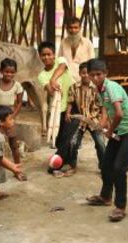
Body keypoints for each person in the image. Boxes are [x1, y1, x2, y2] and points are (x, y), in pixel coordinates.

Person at [85, 59, 128, 222]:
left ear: (105, 74)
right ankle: (105, 197)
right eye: (92, 75)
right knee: (106, 164)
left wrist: (109, 131)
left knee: (118, 169)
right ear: (88, 75)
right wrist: (102, 124)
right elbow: (106, 110)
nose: (95, 78)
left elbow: (119, 114)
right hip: (118, 131)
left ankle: (120, 207)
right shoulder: (99, 89)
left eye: (98, 74)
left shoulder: (111, 88)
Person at [0, 58, 27, 181]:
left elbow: (19, 103)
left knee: (13, 144)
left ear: (15, 72)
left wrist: (13, 115)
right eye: (6, 72)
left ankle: (17, 170)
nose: (9, 74)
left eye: (12, 72)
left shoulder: (17, 86)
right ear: (1, 71)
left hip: (8, 116)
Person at [37, 41, 76, 176]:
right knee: (59, 139)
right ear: (40, 56)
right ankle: (68, 160)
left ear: (54, 55)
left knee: (67, 137)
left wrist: (53, 79)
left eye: (49, 54)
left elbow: (62, 67)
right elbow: (49, 90)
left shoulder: (61, 60)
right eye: (43, 55)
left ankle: (55, 164)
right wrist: (52, 87)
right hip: (57, 109)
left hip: (73, 104)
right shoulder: (41, 75)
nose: (46, 57)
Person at [65, 62, 105, 175]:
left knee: (101, 144)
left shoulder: (97, 88)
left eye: (88, 73)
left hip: (94, 120)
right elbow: (70, 102)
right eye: (83, 73)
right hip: (81, 120)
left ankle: (103, 167)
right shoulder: (73, 87)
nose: (85, 75)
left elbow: (102, 106)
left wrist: (103, 121)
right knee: (73, 143)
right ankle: (73, 166)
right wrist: (67, 113)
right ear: (79, 73)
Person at [58, 16, 95, 82]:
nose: (73, 30)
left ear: (80, 28)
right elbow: (60, 61)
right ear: (67, 28)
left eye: (75, 27)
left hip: (83, 80)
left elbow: (92, 64)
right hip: (66, 80)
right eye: (70, 28)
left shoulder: (87, 43)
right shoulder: (63, 42)